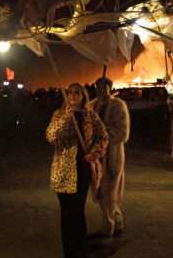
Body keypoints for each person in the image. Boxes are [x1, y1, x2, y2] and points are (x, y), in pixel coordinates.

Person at [46, 83, 109, 258]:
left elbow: (104, 138)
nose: (73, 96)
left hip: (82, 171)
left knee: (78, 212)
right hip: (63, 171)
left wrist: (93, 153)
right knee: (67, 214)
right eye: (70, 93)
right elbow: (50, 136)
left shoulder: (91, 116)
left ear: (83, 96)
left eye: (77, 93)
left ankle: (80, 251)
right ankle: (70, 252)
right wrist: (65, 119)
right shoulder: (59, 114)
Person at [90, 77, 130, 238]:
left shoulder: (119, 106)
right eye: (98, 87)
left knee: (109, 192)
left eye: (104, 87)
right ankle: (117, 221)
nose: (101, 90)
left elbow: (123, 133)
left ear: (110, 88)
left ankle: (108, 227)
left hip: (112, 154)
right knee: (100, 192)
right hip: (97, 156)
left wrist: (104, 130)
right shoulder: (92, 105)